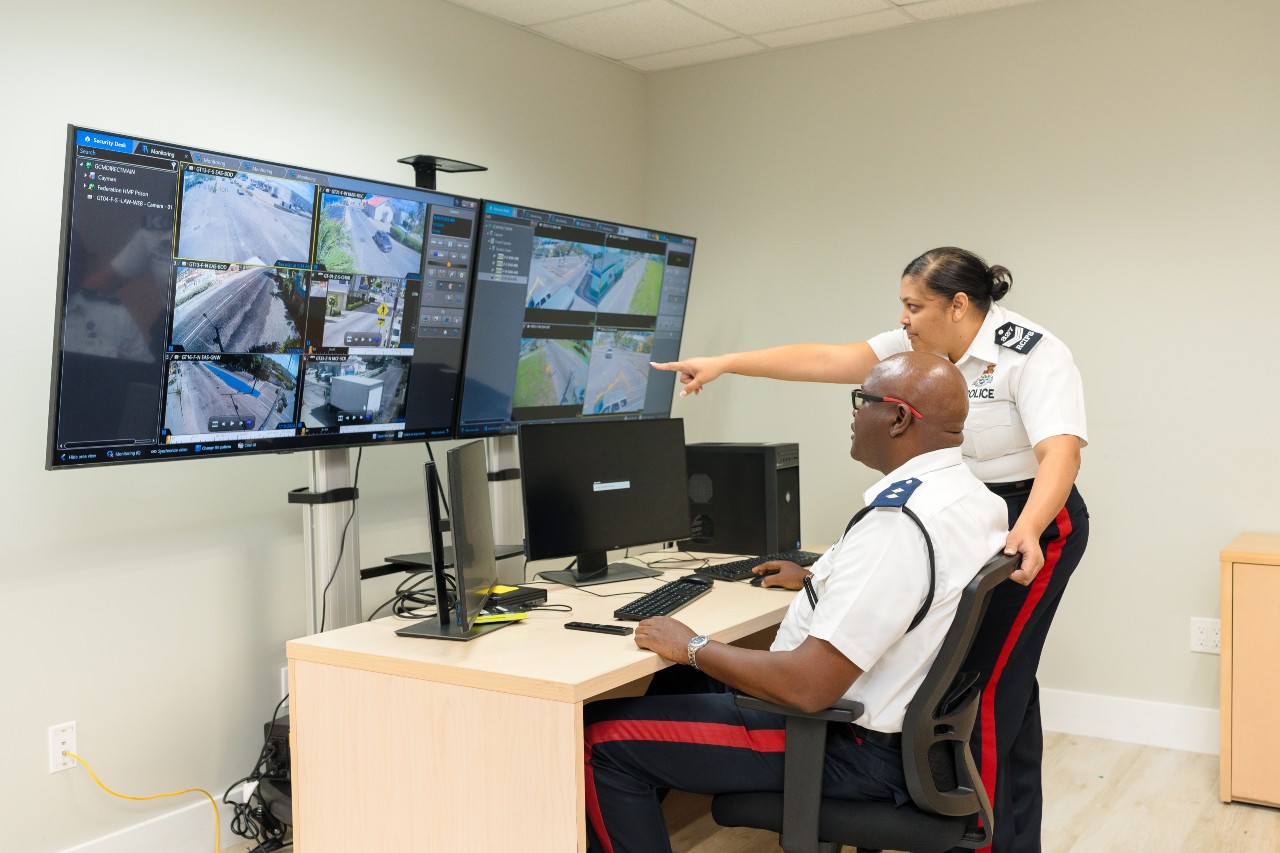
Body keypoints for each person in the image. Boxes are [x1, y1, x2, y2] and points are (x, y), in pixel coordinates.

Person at [652, 246, 1089, 853]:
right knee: (988, 678)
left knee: (992, 686)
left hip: (1033, 514)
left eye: (914, 306)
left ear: (958, 305)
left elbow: (1060, 454)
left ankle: (987, 839)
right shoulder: (924, 347)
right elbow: (831, 358)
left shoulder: (1030, 352)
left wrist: (1029, 529)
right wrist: (725, 362)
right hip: (968, 506)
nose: (904, 319)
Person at [583, 352, 1008, 853]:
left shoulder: (898, 523)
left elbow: (808, 688)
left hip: (839, 743)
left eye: (861, 401)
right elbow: (918, 590)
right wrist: (818, 578)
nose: (852, 415)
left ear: (897, 418)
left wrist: (693, 643)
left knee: (601, 740)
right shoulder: (972, 499)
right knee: (674, 683)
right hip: (908, 740)